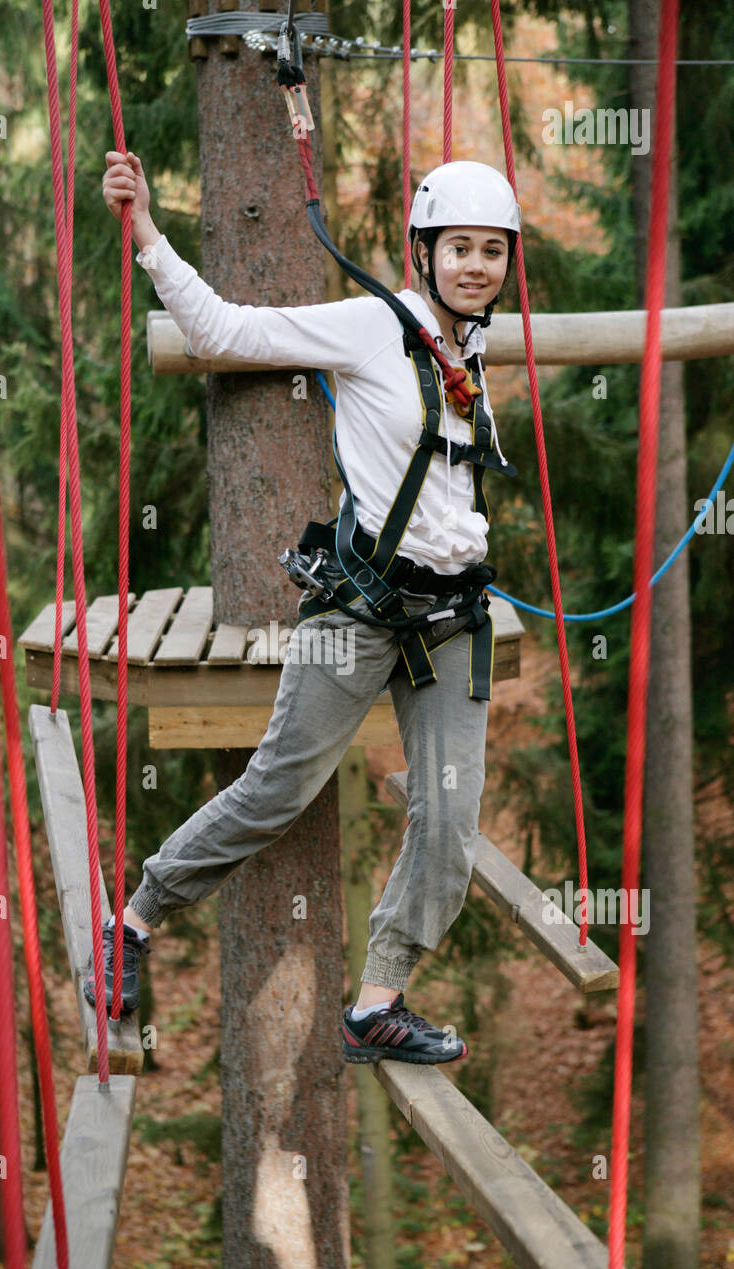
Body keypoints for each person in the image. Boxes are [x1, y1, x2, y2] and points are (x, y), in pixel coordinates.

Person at [85, 150, 520, 1065]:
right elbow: (226, 331)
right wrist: (148, 234)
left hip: (450, 619)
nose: (478, 266)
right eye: (461, 249)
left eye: (493, 251)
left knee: (450, 820)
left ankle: (376, 1003)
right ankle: (133, 916)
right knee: (279, 786)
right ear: (422, 252)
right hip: (360, 611)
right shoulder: (371, 326)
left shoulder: (473, 346)